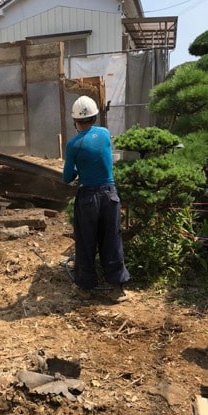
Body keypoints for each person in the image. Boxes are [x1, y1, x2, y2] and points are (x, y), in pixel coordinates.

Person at [63, 95, 130, 302]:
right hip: (110, 195)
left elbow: (67, 177)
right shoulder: (105, 133)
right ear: (94, 116)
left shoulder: (73, 145)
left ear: (75, 121)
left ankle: (85, 288)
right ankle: (117, 289)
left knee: (85, 241)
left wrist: (77, 169)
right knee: (112, 239)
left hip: (88, 198)